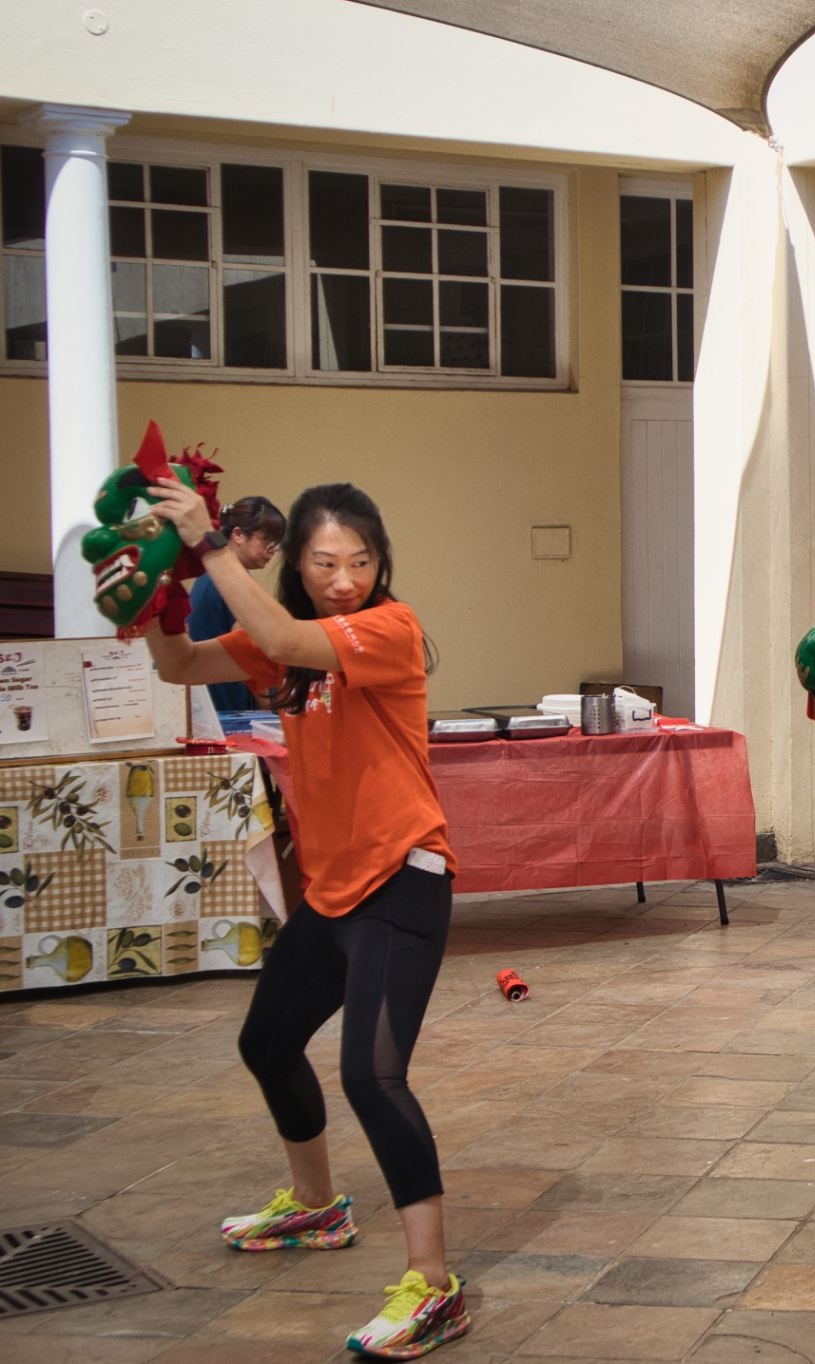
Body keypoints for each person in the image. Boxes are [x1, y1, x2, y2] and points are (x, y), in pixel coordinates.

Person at [138, 480, 470, 1360]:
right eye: (325, 562)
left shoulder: (385, 631)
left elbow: (290, 637)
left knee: (373, 1075)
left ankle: (434, 1287)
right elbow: (178, 667)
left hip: (402, 881)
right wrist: (161, 595)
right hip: (331, 893)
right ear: (298, 564)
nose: (344, 578)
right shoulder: (274, 645)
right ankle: (317, 1207)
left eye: (360, 561)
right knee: (266, 1042)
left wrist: (208, 544)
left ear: (380, 563)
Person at [185, 495, 285, 715]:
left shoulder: (209, 576)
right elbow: (252, 653)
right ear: (239, 535)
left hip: (207, 708)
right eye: (267, 541)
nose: (273, 550)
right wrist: (276, 711)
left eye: (277, 544)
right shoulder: (234, 584)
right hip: (230, 713)